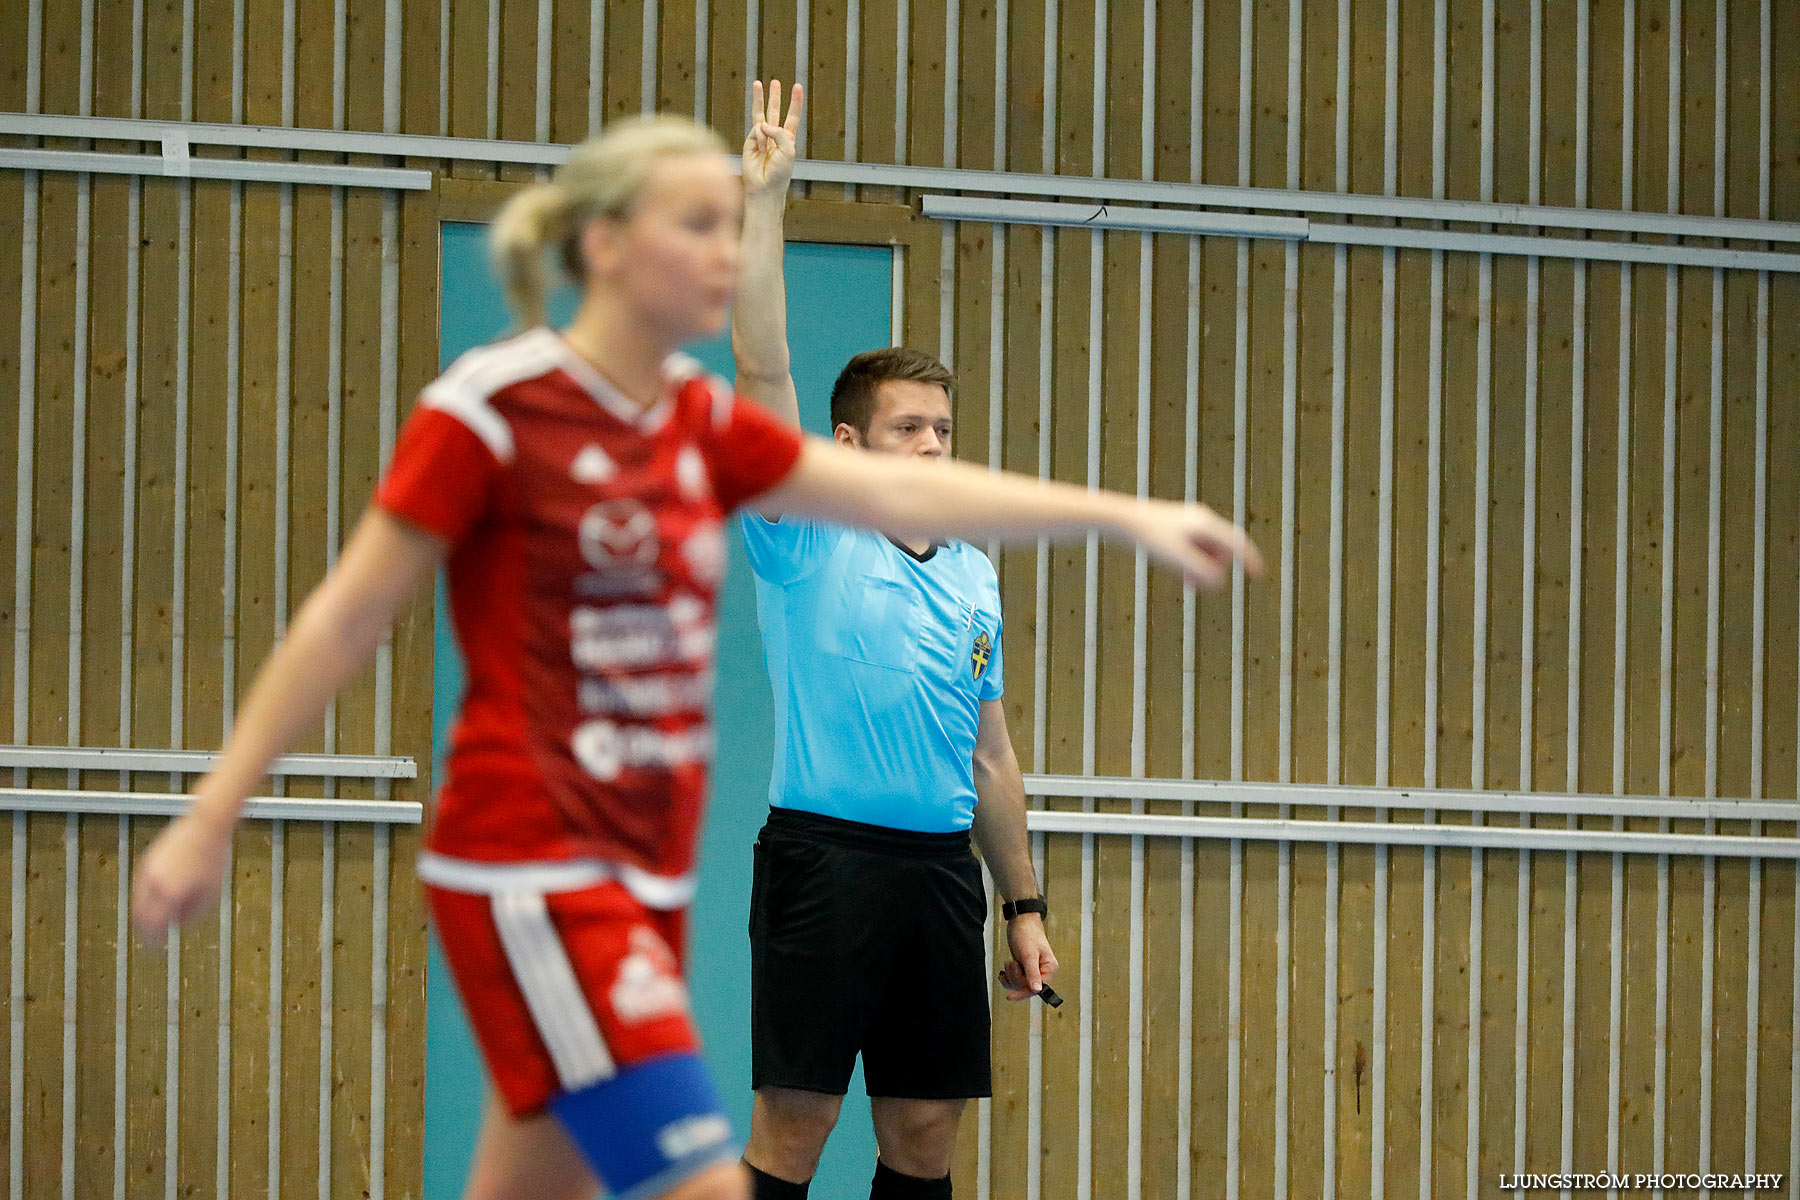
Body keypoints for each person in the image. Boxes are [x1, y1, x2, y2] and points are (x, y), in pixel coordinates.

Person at [130, 112, 1260, 1200]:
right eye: (698, 225)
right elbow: (342, 618)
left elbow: (921, 496)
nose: (718, 251)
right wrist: (210, 812)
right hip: (539, 869)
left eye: (727, 230)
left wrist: (1125, 515)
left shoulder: (690, 422)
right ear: (608, 244)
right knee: (699, 1173)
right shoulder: (498, 407)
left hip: (653, 872)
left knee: (542, 1173)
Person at [730, 82, 1054, 1200]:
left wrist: (1023, 909)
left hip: (936, 881)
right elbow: (760, 370)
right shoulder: (802, 532)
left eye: (943, 430)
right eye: (908, 428)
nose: (930, 446)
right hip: (823, 863)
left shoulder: (973, 575)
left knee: (924, 1140)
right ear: (848, 439)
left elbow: (991, 757)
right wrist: (764, 204)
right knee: (796, 1128)